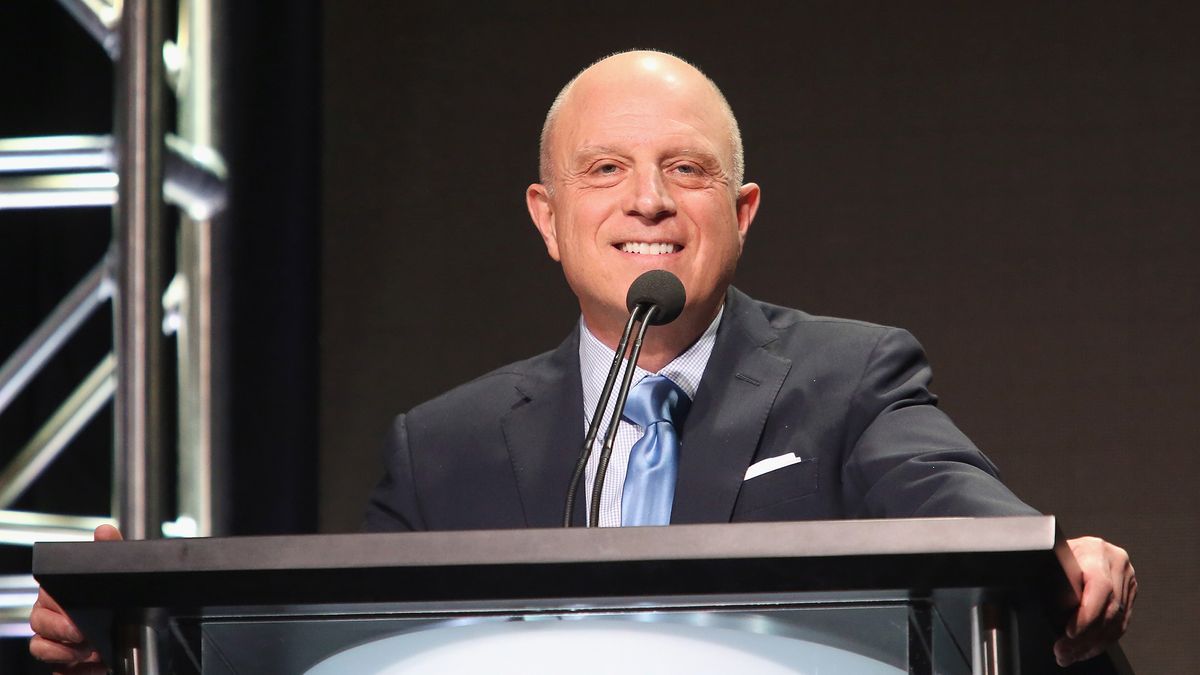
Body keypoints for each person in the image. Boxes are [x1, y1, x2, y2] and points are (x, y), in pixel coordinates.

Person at [32, 50, 1135, 671]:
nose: (648, 200)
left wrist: (1062, 568)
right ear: (548, 218)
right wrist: (143, 647)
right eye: (605, 170)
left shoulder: (847, 382)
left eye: (687, 171)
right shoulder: (442, 446)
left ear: (741, 213)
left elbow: (958, 507)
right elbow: (351, 661)